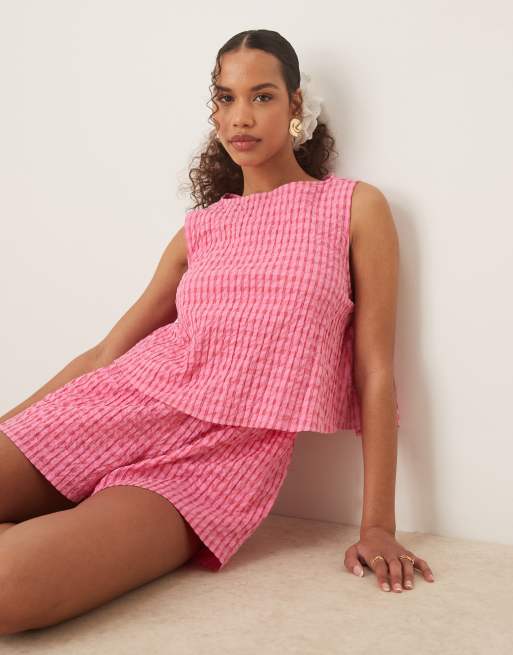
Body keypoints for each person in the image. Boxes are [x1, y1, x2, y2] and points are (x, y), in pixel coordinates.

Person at [0, 29, 434, 634]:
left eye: (261, 96)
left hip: (216, 462)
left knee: (8, 590)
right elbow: (107, 354)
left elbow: (375, 370)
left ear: (295, 103)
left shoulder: (354, 207)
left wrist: (378, 525)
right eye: (226, 98)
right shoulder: (202, 229)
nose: (240, 117)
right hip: (121, 405)